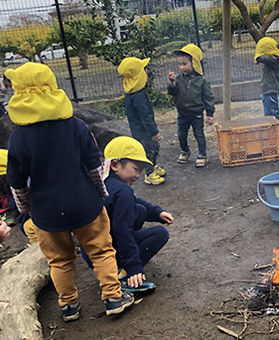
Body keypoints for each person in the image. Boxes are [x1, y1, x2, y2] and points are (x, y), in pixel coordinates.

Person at [6, 62, 134, 322]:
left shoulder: (19, 137)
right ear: (53, 89)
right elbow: (94, 165)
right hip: (85, 205)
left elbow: (16, 182)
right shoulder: (75, 126)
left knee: (60, 261)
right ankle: (113, 297)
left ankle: (69, 306)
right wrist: (101, 194)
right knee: (101, 250)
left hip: (46, 213)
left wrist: (26, 210)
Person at [97, 136, 173, 293]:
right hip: (110, 249)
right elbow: (122, 230)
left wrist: (158, 213)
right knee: (160, 233)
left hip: (96, 252)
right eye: (135, 169)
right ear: (116, 165)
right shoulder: (122, 191)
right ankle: (123, 274)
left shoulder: (104, 181)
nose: (138, 175)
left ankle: (115, 266)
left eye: (141, 171)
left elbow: (133, 201)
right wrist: (134, 266)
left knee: (140, 210)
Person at [117, 57, 166, 185]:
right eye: (144, 70)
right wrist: (154, 132)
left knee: (154, 148)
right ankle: (149, 174)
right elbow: (145, 116)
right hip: (144, 132)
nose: (146, 72)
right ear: (137, 76)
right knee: (149, 150)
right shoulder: (137, 96)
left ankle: (153, 166)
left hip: (140, 130)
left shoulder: (132, 92)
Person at [168, 44, 215, 167]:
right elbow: (172, 92)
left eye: (185, 64)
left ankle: (202, 155)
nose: (182, 67)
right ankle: (185, 151)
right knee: (181, 135)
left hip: (196, 113)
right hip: (182, 114)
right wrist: (172, 83)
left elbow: (208, 98)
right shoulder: (178, 79)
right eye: (180, 64)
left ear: (194, 63)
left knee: (199, 134)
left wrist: (210, 114)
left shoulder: (202, 81)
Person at [254, 37, 279, 139]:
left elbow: (265, 58)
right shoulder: (271, 60)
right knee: (268, 115)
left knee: (278, 113)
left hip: (274, 91)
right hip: (266, 92)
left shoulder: (277, 59)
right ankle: (272, 135)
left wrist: (258, 57)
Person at [0, 148, 37, 244]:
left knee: (24, 217)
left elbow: (23, 208)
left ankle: (36, 241)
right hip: (14, 170)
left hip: (9, 175)